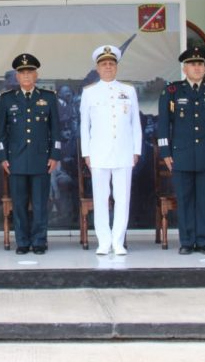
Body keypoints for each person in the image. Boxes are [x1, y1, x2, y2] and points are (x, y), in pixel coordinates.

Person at [157, 47, 205, 255]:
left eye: (200, 64)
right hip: (181, 154)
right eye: (192, 64)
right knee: (185, 199)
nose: (196, 68)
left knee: (204, 199)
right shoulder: (172, 91)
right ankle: (187, 241)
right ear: (184, 68)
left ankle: (204, 242)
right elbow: (164, 124)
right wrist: (165, 152)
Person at [80, 45, 142, 256]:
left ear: (116, 67)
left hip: (124, 152)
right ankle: (104, 241)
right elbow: (84, 125)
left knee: (122, 199)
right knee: (101, 198)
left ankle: (118, 241)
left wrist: (137, 150)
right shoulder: (89, 93)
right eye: (104, 64)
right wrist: (86, 153)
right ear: (97, 68)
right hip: (98, 153)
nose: (108, 67)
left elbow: (135, 124)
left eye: (112, 64)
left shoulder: (128, 91)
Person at [0, 54, 60, 255]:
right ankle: (22, 242)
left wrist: (54, 155)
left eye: (29, 72)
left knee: (40, 204)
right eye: (22, 72)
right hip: (16, 160)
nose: (26, 76)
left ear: (36, 75)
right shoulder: (7, 100)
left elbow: (55, 130)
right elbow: (0, 133)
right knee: (20, 204)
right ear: (17, 76)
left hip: (42, 159)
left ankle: (39, 241)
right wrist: (2, 157)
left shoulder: (48, 98)